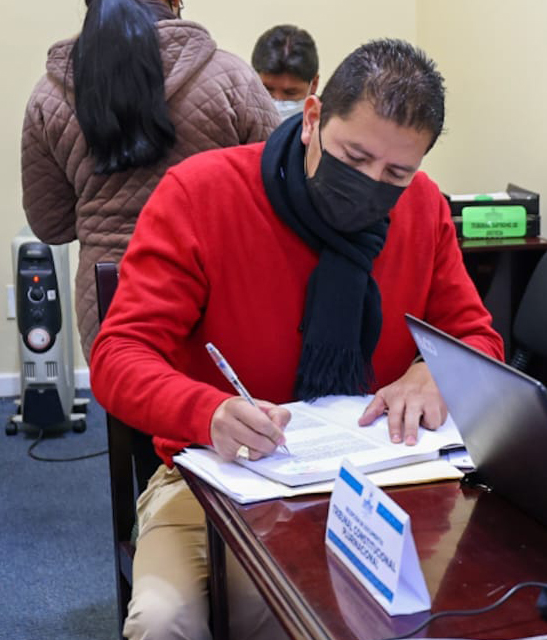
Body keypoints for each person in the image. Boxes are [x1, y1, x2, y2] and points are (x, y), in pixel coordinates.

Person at [90, 39, 503, 639]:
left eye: (395, 173)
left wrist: (433, 372)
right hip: (212, 478)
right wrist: (208, 411)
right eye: (354, 156)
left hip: (378, 483)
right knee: (165, 621)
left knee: (459, 608)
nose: (370, 185)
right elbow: (118, 355)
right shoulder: (202, 194)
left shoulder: (423, 209)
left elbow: (477, 339)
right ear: (311, 119)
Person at [21, 0, 279, 358]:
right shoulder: (230, 78)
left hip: (110, 297)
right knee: (222, 408)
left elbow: (51, 225)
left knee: (132, 404)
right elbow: (279, 191)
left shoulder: (47, 97)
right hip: (217, 290)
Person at [251, 24, 319, 119]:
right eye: (267, 90)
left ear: (314, 85)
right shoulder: (235, 121)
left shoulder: (327, 129)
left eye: (290, 93)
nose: (277, 101)